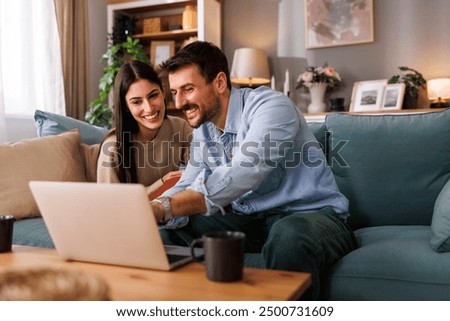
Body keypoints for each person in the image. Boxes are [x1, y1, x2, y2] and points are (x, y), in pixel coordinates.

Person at [151, 41, 357, 299]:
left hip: (314, 218)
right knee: (167, 230)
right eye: (174, 92)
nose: (179, 102)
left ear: (220, 83)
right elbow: (188, 184)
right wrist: (152, 210)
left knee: (288, 236)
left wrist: (165, 207)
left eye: (188, 89)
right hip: (254, 223)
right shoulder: (204, 129)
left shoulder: (272, 106)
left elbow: (245, 170)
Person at [97, 60, 192, 194]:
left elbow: (204, 172)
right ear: (126, 106)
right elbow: (111, 205)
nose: (148, 108)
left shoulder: (179, 127)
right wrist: (163, 184)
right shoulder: (113, 148)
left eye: (153, 95)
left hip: (172, 211)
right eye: (137, 102)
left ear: (163, 91)